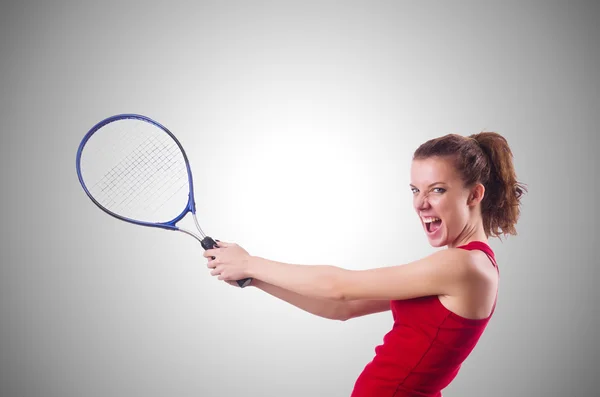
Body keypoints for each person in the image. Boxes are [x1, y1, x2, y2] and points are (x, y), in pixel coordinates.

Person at [204, 132, 526, 397]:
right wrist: (254, 278)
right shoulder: (455, 267)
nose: (420, 203)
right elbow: (344, 308)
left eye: (437, 190)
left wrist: (250, 262)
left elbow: (339, 288)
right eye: (415, 190)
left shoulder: (464, 267)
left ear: (474, 195)